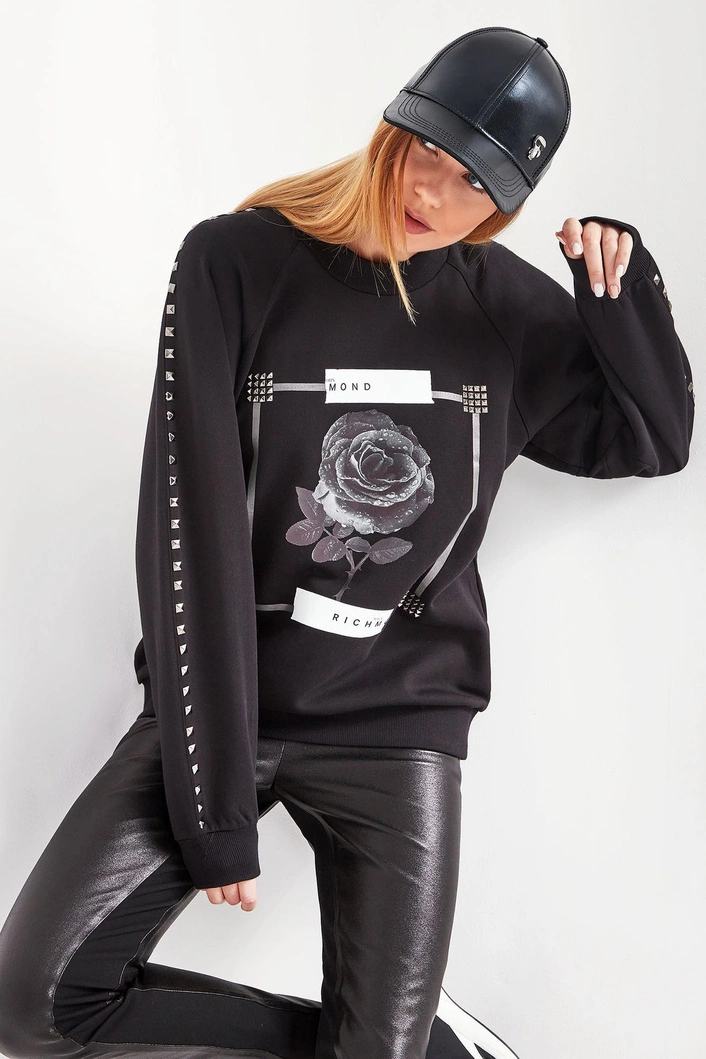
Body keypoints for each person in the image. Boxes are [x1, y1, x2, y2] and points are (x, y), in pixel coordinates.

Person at [0, 25, 694, 1059]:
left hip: (399, 726)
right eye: (430, 152)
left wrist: (619, 295)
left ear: (508, 203)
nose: (436, 195)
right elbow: (188, 525)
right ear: (393, 128)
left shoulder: (503, 308)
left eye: (477, 184)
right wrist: (214, 799)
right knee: (34, 1003)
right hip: (234, 701)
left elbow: (654, 440)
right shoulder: (234, 262)